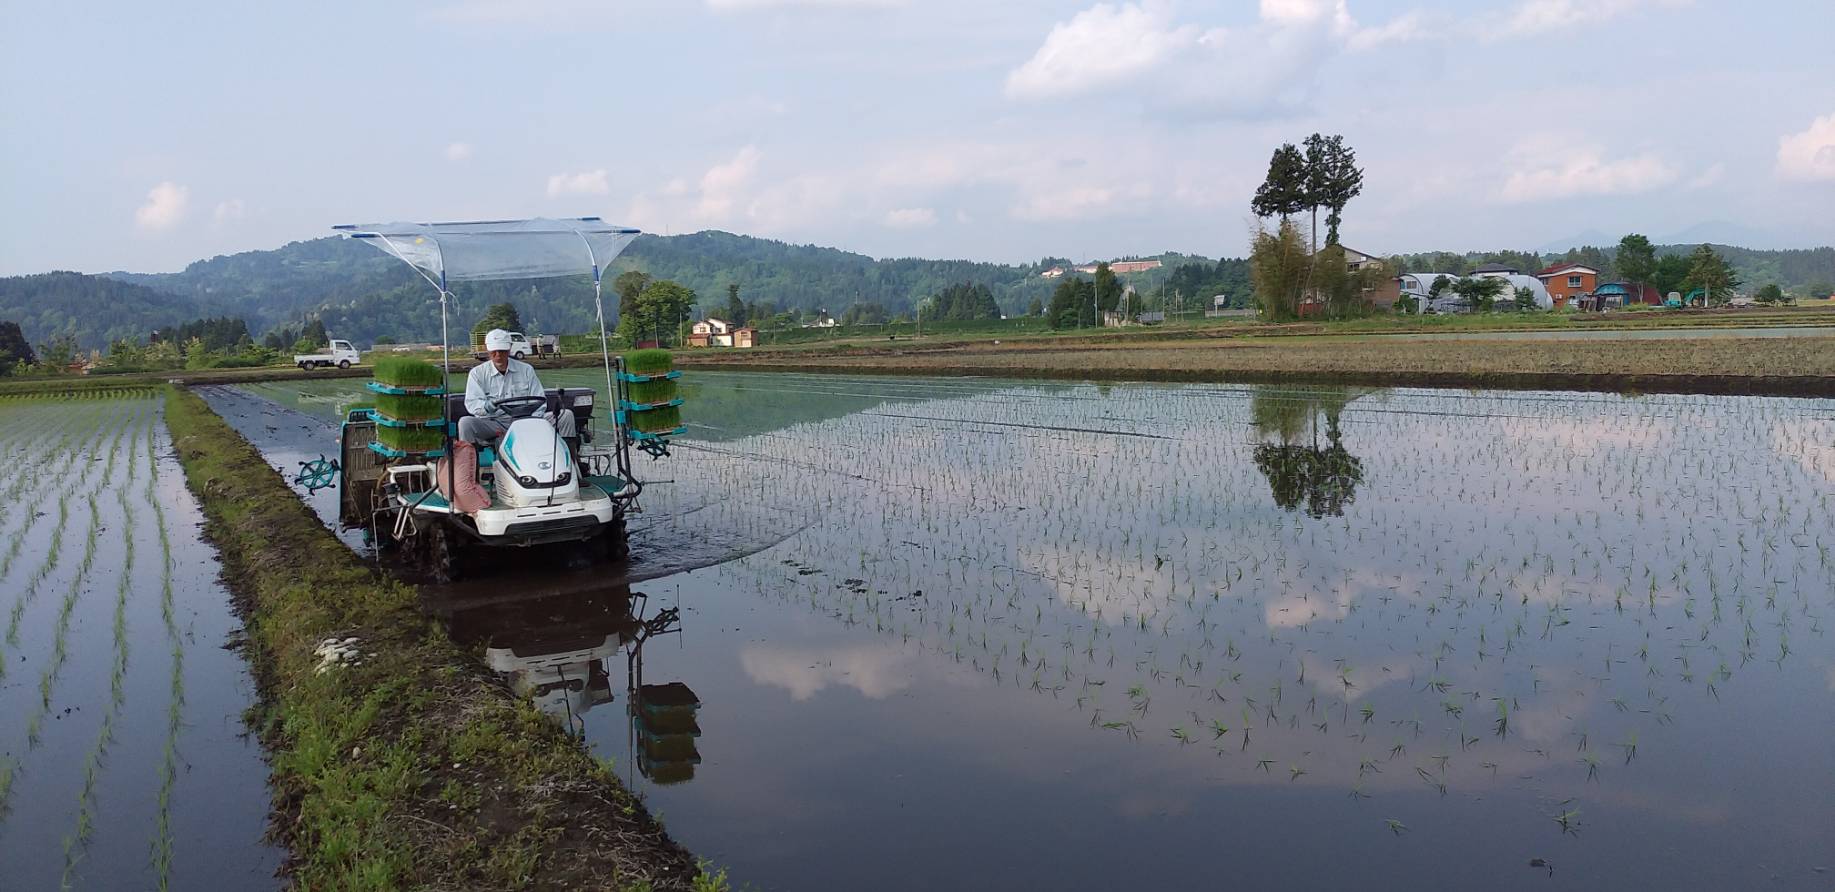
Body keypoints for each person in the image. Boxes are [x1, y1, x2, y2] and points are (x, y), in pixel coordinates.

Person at [459, 328, 574, 450]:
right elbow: (472, 403)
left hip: (527, 420)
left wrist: (532, 421)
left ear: (509, 349)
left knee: (566, 416)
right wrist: (486, 407)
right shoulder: (477, 374)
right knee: (465, 423)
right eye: (494, 351)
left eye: (502, 351)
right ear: (488, 350)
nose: (498, 355)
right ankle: (470, 465)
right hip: (494, 423)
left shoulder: (526, 370)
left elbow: (540, 400)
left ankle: (571, 461)